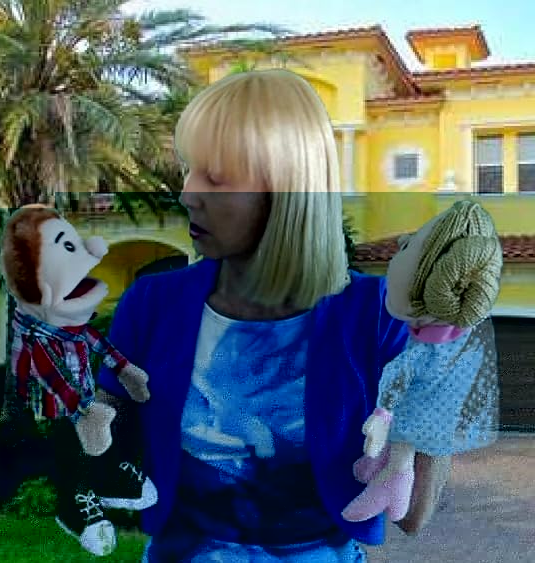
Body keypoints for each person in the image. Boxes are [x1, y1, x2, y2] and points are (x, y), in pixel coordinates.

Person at [95, 68, 452, 562]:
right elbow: (98, 443)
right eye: (189, 171)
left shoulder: (378, 314)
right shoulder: (152, 303)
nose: (188, 195)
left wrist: (437, 376)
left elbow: (413, 515)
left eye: (215, 177)